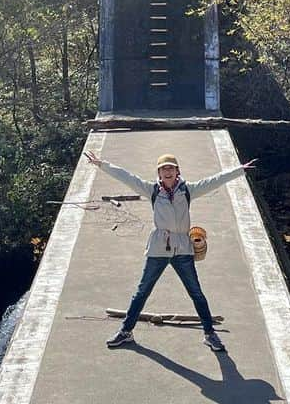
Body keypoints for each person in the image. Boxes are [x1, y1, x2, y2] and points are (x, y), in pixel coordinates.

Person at [83, 148, 257, 352]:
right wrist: (101, 164)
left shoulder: (188, 190)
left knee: (196, 293)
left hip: (183, 249)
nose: (167, 172)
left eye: (171, 168)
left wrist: (239, 170)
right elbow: (127, 177)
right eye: (163, 169)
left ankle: (210, 334)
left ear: (177, 171)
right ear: (158, 173)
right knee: (142, 292)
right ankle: (126, 331)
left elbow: (214, 181)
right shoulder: (152, 191)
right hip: (158, 248)